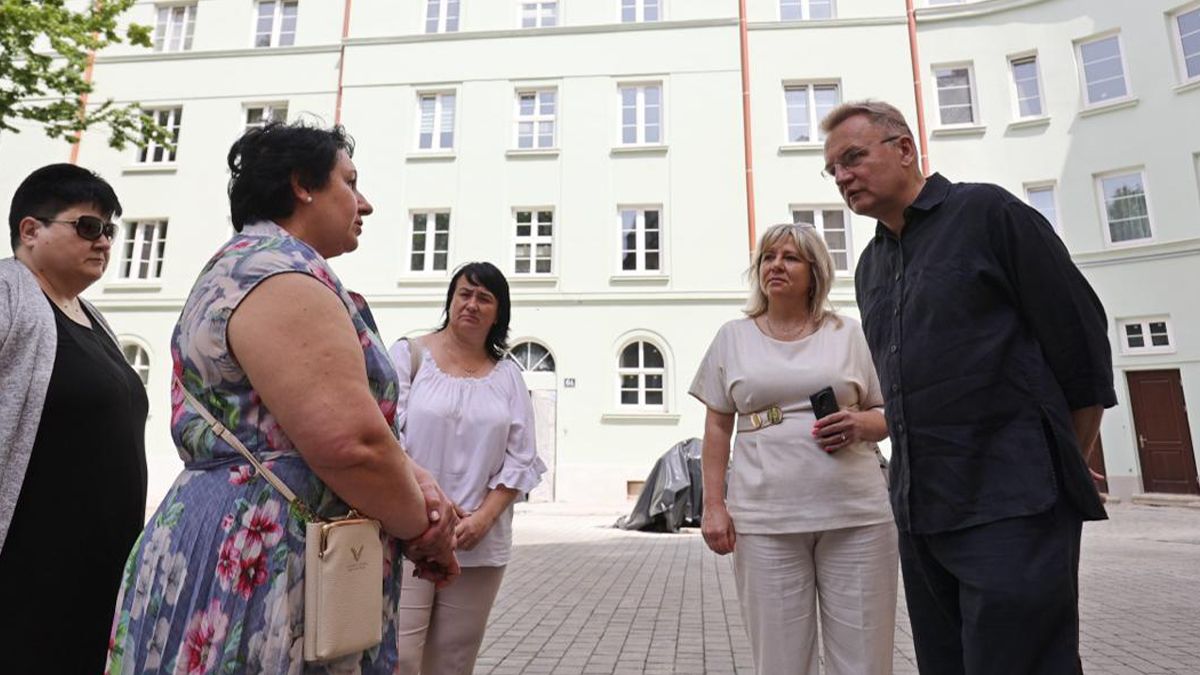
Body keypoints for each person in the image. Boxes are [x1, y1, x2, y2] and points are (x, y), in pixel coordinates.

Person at [106, 122, 459, 674]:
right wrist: (425, 531)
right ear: (302, 185)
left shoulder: (254, 266)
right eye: (350, 182)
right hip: (266, 552)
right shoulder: (279, 273)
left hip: (239, 532)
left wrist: (413, 477)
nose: (364, 203)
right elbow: (351, 445)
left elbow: (303, 423)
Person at [821, 100, 1114, 674]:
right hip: (921, 511)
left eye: (853, 158)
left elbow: (1081, 348)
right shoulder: (871, 266)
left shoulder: (988, 214)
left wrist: (1060, 464)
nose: (842, 177)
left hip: (1013, 506)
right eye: (832, 170)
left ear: (904, 148)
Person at [691, 222, 897, 675]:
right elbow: (717, 429)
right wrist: (714, 507)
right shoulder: (733, 336)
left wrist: (860, 422)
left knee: (864, 660)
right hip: (765, 521)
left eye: (789, 257)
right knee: (779, 662)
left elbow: (889, 415)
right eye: (768, 257)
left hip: (857, 516)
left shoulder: (850, 334)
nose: (775, 266)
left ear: (815, 271)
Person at [0, 164, 148, 674]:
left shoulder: (91, 318)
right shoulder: (7, 295)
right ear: (30, 230)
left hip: (91, 577)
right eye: (88, 226)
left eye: (110, 230)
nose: (104, 241)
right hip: (26, 575)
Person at [388, 262, 546, 675]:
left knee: (454, 660)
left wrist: (481, 520)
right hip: (412, 530)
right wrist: (431, 508)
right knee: (400, 656)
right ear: (450, 300)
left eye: (484, 298)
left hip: (478, 540)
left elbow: (522, 455)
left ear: (499, 312)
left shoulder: (509, 375)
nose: (471, 305)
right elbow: (386, 437)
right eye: (464, 294)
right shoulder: (410, 356)